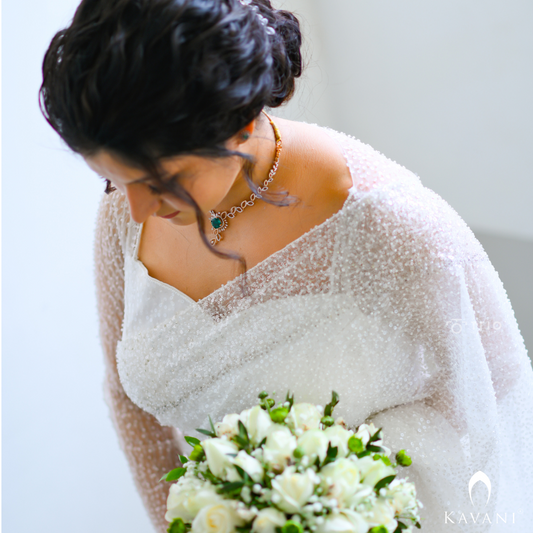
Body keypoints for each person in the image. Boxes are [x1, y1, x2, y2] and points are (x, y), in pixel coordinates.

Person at [40, 0, 533, 531]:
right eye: (114, 177)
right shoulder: (124, 214)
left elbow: (489, 406)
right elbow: (125, 394)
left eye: (161, 179)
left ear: (241, 122)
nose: (135, 209)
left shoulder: (394, 228)